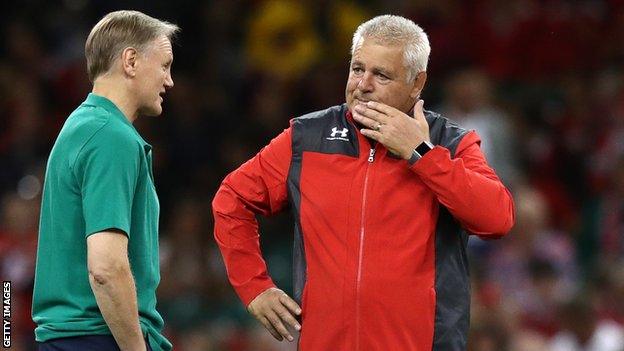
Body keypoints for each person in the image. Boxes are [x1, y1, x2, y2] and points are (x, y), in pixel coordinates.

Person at [212, 15, 514, 350]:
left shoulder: (450, 143)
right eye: (358, 69)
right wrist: (254, 286)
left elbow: (497, 219)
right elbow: (231, 199)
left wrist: (421, 153)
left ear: (417, 83)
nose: (362, 84)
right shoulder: (307, 138)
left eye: (381, 75)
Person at [32, 10, 178, 351]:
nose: (169, 81)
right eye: (165, 65)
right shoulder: (110, 136)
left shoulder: (82, 125)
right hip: (96, 338)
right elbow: (106, 268)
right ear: (130, 61)